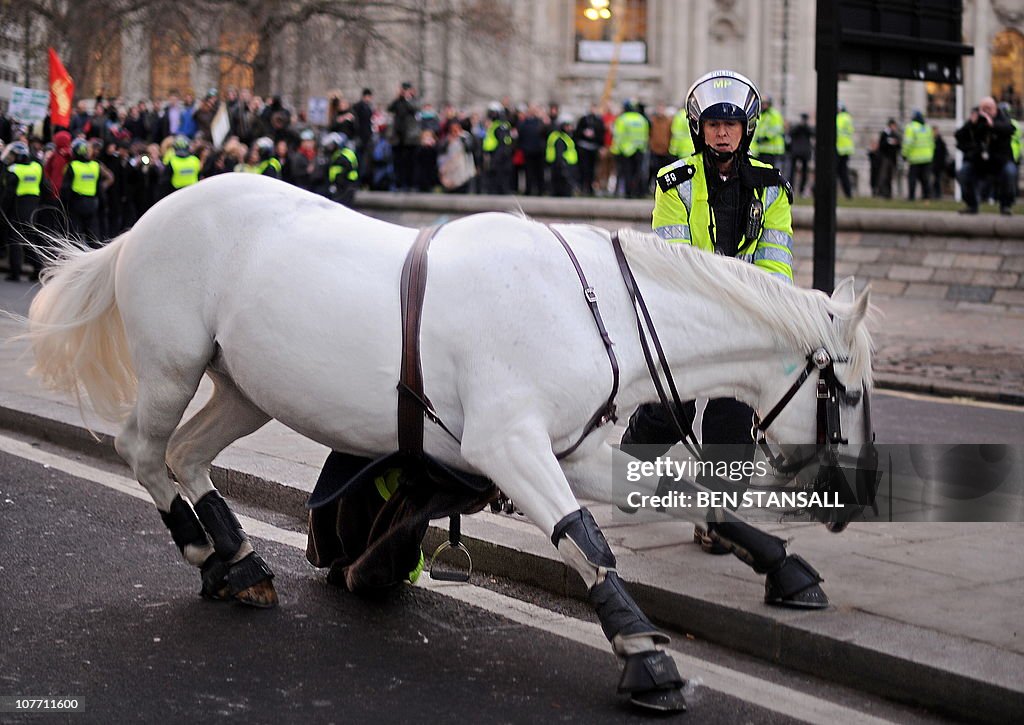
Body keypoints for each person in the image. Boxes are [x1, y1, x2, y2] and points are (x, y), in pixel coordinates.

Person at [620, 70, 823, 608]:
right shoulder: (673, 182)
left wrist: (753, 312)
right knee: (672, 413)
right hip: (689, 316)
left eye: (731, 124)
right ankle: (622, 469)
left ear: (746, 128)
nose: (723, 133)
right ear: (699, 128)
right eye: (714, 124)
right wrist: (720, 301)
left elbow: (777, 264)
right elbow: (672, 260)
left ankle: (719, 521)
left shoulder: (773, 185)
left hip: (741, 320)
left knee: (732, 417)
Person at [955, 97, 1016, 215]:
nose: (986, 111)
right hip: (979, 161)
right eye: (984, 109)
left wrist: (992, 124)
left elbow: (1009, 129)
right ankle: (971, 205)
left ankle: (1006, 206)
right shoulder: (976, 121)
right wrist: (971, 124)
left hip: (1000, 161)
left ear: (995, 109)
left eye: (989, 108)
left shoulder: (1002, 118)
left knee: (1010, 172)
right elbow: (959, 136)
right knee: (963, 173)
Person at [2, 141, 48, 281]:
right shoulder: (36, 167)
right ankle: (38, 269)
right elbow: (45, 186)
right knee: (29, 239)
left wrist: (3, 210)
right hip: (32, 206)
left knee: (15, 239)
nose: (10, 157)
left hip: (17, 206)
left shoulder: (14, 170)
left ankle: (15, 272)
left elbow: (8, 194)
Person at [61, 139, 111, 246]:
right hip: (92, 204)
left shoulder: (72, 166)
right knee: (93, 236)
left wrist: (64, 205)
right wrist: (103, 204)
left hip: (77, 204)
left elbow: (66, 189)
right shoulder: (95, 166)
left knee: (75, 237)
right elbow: (99, 188)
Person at [610, 100, 649, 198]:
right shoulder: (641, 119)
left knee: (627, 173)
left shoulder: (622, 119)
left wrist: (615, 150)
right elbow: (645, 135)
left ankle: (628, 193)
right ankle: (638, 192)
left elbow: (618, 136)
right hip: (639, 149)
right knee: (638, 172)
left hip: (626, 151)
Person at [387, 82, 421, 191]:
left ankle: (411, 184)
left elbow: (414, 109)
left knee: (410, 163)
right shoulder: (398, 102)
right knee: (398, 162)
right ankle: (399, 184)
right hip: (398, 137)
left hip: (410, 138)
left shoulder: (414, 100)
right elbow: (390, 108)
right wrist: (398, 97)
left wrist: (407, 98)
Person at [481, 102, 514, 195]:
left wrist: (497, 158)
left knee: (501, 180)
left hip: (499, 157)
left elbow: (503, 144)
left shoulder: (501, 126)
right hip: (493, 155)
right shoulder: (494, 125)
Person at [902, 110, 934, 201]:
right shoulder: (927, 128)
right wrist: (931, 155)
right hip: (927, 158)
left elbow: (908, 143)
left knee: (912, 179)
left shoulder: (911, 127)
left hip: (915, 158)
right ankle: (926, 196)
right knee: (925, 179)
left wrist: (904, 154)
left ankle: (911, 197)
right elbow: (932, 143)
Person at [573, 104, 605, 196]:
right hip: (583, 148)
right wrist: (584, 133)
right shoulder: (583, 120)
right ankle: (583, 187)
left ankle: (590, 187)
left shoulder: (598, 121)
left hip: (593, 148)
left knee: (592, 169)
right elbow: (577, 133)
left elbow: (601, 133)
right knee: (583, 168)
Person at [545, 114, 578, 197]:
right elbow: (559, 154)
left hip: (566, 165)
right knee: (562, 190)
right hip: (563, 166)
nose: (570, 128)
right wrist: (563, 167)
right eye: (568, 125)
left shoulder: (564, 136)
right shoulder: (560, 138)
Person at [323, 133, 359, 206]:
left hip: (345, 186)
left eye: (331, 146)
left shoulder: (341, 156)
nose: (329, 148)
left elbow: (343, 171)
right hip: (343, 185)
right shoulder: (338, 155)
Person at [752, 96, 785, 170]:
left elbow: (777, 128)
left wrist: (766, 137)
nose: (764, 105)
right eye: (763, 103)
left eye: (765, 104)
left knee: (769, 170)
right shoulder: (760, 115)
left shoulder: (774, 114)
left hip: (771, 149)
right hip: (760, 149)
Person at [787, 113, 813, 197]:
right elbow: (791, 133)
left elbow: (813, 132)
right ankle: (791, 188)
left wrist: (804, 126)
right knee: (792, 171)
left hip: (803, 152)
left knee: (804, 172)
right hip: (796, 151)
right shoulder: (796, 128)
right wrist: (799, 126)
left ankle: (802, 189)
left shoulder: (807, 128)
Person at [876, 118, 901, 199]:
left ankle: (889, 194)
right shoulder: (884, 134)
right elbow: (881, 145)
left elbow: (899, 146)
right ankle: (881, 192)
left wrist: (895, 143)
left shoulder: (896, 135)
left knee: (890, 177)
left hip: (893, 158)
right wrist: (889, 143)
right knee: (883, 176)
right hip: (885, 158)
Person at [835, 103, 855, 198]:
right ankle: (848, 193)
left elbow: (835, 132)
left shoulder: (840, 118)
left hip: (839, 149)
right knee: (843, 173)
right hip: (847, 149)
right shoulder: (848, 118)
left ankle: (830, 192)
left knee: (834, 172)